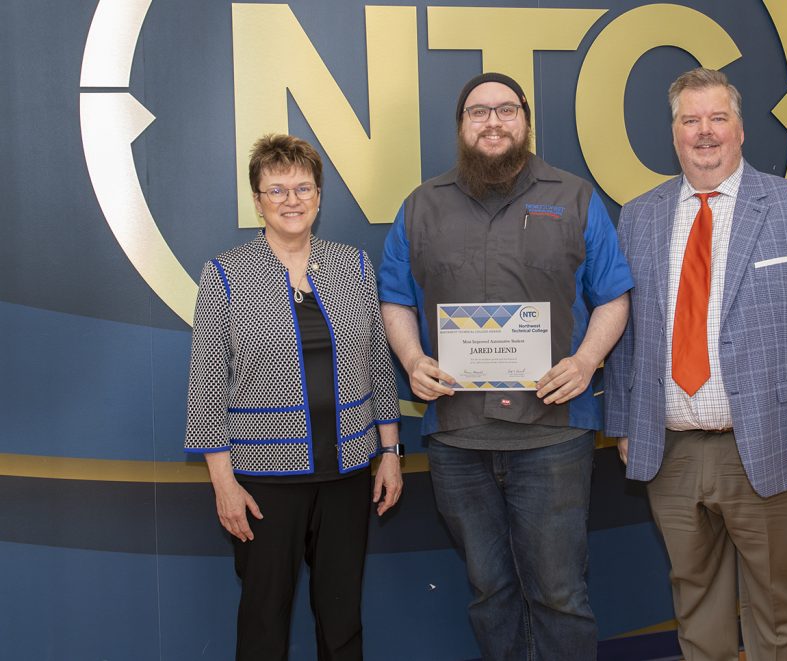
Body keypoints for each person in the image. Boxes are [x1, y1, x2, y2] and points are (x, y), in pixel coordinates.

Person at [377, 72, 633, 660]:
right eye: (478, 112)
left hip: (553, 433)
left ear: (525, 121)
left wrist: (588, 360)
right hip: (457, 435)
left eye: (506, 110)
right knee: (488, 591)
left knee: (560, 593)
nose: (493, 121)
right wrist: (411, 359)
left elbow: (614, 294)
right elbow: (394, 296)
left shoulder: (575, 197)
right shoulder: (421, 206)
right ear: (461, 126)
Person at [604, 68, 787, 659]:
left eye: (717, 118)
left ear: (740, 129)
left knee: (774, 598)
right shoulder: (639, 216)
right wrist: (622, 425)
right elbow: (623, 325)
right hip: (670, 448)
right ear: (674, 135)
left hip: (766, 442)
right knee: (695, 597)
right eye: (691, 121)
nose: (705, 132)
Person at [184, 134, 402, 661]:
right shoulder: (226, 275)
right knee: (263, 622)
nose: (291, 199)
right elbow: (206, 386)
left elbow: (378, 365)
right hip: (263, 485)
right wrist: (223, 485)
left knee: (343, 619)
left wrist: (390, 453)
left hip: (347, 476)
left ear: (320, 197)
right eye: (276, 189)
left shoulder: (352, 266)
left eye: (303, 187)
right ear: (257, 200)